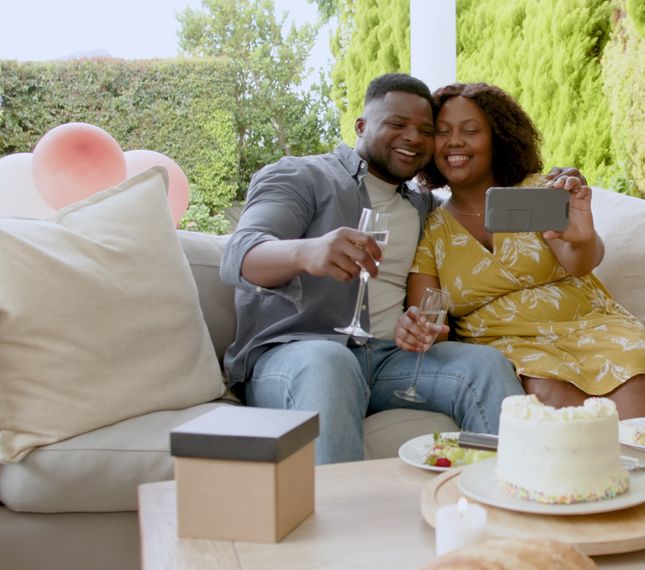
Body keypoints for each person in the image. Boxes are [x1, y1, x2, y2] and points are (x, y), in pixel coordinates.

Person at [220, 74, 524, 465]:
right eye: (398, 124)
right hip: (297, 356)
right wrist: (307, 252)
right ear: (361, 126)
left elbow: (486, 208)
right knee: (332, 363)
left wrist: (559, 187)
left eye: (425, 130)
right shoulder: (303, 176)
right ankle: (343, 507)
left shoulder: (423, 207)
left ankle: (510, 494)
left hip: (389, 360)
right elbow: (239, 255)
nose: (413, 137)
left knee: (484, 365)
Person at [396, 82, 645, 420]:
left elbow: (580, 263)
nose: (455, 141)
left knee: (641, 391)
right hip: (512, 350)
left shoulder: (537, 191)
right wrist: (416, 329)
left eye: (470, 130)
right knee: (557, 411)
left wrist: (582, 238)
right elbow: (429, 322)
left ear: (497, 139)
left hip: (593, 329)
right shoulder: (432, 230)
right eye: (442, 132)